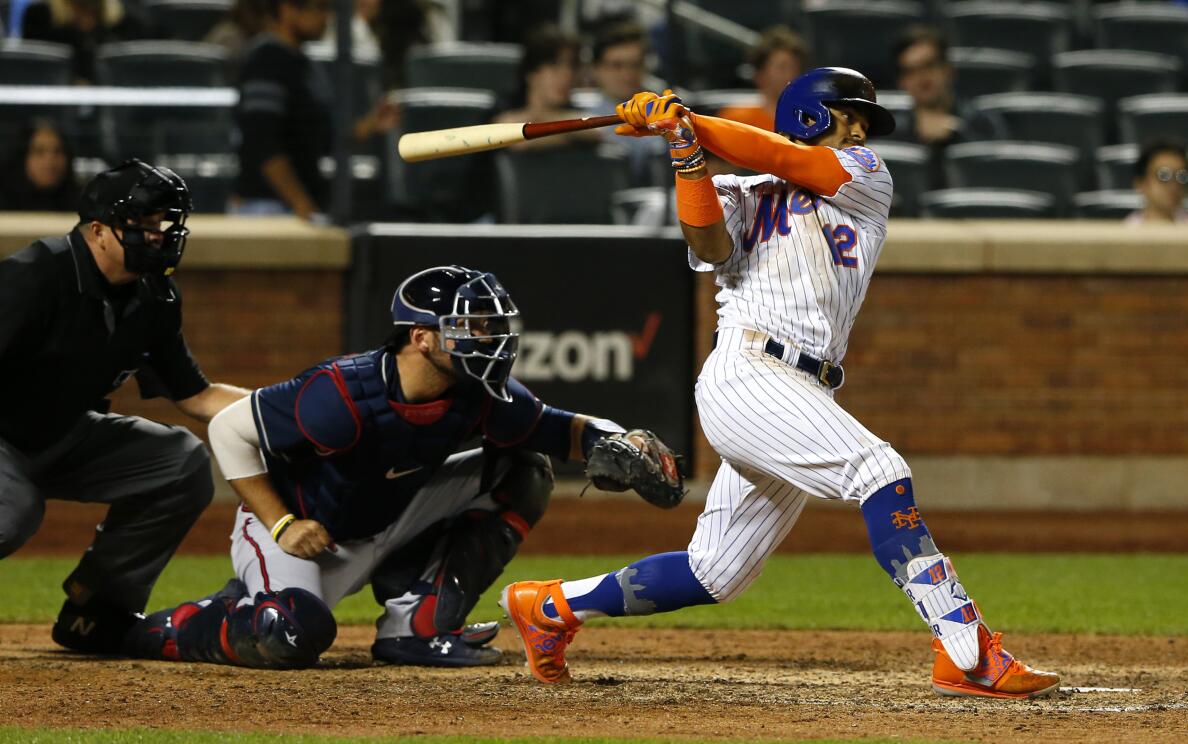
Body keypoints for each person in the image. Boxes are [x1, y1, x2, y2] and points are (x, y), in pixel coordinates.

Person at [500, 67, 1062, 700]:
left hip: (803, 390)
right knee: (879, 469)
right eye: (850, 116)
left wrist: (686, 122)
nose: (860, 129)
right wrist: (687, 153)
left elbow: (780, 154)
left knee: (716, 572)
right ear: (812, 115)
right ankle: (966, 651)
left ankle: (548, 608)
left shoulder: (866, 177)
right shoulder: (739, 189)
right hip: (747, 373)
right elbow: (709, 246)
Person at [123, 266, 683, 670]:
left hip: (390, 515)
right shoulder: (340, 393)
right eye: (472, 328)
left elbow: (563, 430)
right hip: (303, 529)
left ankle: (417, 626)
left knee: (525, 468)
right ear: (421, 337)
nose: (490, 339)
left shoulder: (479, 390)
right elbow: (228, 429)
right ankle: (179, 627)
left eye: (492, 326)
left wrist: (617, 440)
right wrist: (280, 524)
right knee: (291, 634)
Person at [0, 159, 250, 654]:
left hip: (63, 435)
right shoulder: (33, 276)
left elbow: (195, 396)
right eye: (143, 224)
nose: (157, 235)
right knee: (12, 508)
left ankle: (97, 611)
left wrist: (289, 408)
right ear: (97, 231)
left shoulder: (154, 296)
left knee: (179, 463)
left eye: (163, 224)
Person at [231, 0, 397, 220]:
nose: (326, 17)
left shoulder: (302, 63)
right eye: (318, 8)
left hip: (294, 208)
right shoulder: (267, 60)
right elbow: (263, 143)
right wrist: (301, 203)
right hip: (266, 208)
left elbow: (323, 138)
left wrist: (370, 124)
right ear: (287, 9)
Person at [889, 26, 1003, 190]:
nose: (922, 78)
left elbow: (996, 179)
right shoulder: (894, 132)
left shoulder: (983, 124)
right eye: (911, 71)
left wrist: (958, 134)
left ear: (948, 70)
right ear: (901, 82)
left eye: (929, 66)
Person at [494, 25, 599, 151]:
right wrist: (568, 134)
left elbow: (596, 131)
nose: (567, 76)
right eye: (554, 66)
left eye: (572, 67)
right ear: (531, 73)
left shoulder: (575, 110)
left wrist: (541, 118)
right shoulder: (503, 106)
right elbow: (517, 140)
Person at [584, 21, 663, 186]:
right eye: (616, 66)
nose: (627, 74)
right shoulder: (585, 120)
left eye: (635, 65)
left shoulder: (665, 112)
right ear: (596, 69)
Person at [21, 0, 146, 84]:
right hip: (54, 110)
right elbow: (32, 78)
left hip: (112, 112)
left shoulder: (128, 22)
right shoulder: (39, 17)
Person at [715, 26, 808, 132]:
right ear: (760, 74)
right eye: (782, 67)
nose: (790, 75)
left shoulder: (811, 122)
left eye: (795, 68)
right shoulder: (735, 120)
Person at [0, 118, 79, 212]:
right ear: (23, 158)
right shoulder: (4, 206)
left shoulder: (85, 207)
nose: (50, 162)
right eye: (39, 151)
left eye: (57, 151)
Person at [1126, 139, 1188, 225]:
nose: (1174, 185)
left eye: (1181, 176)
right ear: (1140, 184)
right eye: (1163, 176)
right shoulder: (1124, 232)